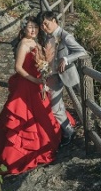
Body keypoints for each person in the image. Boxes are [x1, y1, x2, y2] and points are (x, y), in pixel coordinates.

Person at [0, 16, 64, 175]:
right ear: (24, 29)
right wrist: (35, 80)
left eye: (35, 27)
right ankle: (17, 155)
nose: (33, 30)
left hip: (37, 84)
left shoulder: (36, 43)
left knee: (40, 114)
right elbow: (18, 68)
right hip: (26, 85)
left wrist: (43, 76)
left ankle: (42, 145)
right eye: (30, 27)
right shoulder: (24, 44)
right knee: (23, 115)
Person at [37, 10, 87, 146]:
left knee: (85, 100)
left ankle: (91, 126)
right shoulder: (47, 37)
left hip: (68, 74)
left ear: (54, 21)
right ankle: (69, 131)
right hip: (53, 76)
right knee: (55, 108)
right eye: (42, 25)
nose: (44, 27)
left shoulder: (65, 36)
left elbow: (82, 51)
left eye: (46, 24)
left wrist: (66, 58)